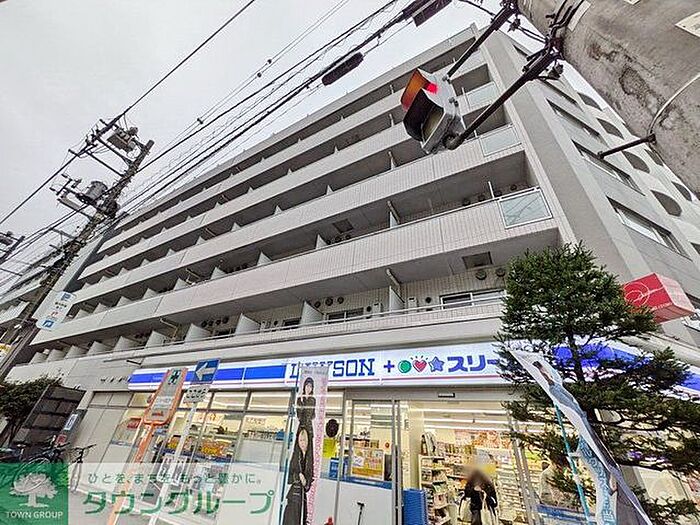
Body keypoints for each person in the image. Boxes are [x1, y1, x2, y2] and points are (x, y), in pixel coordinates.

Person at [282, 427, 314, 525]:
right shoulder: (296, 455)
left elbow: (310, 477)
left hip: (303, 496)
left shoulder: (310, 457)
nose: (302, 443)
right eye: (300, 440)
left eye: (304, 440)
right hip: (294, 495)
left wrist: (305, 481)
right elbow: (290, 475)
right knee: (291, 519)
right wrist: (299, 476)